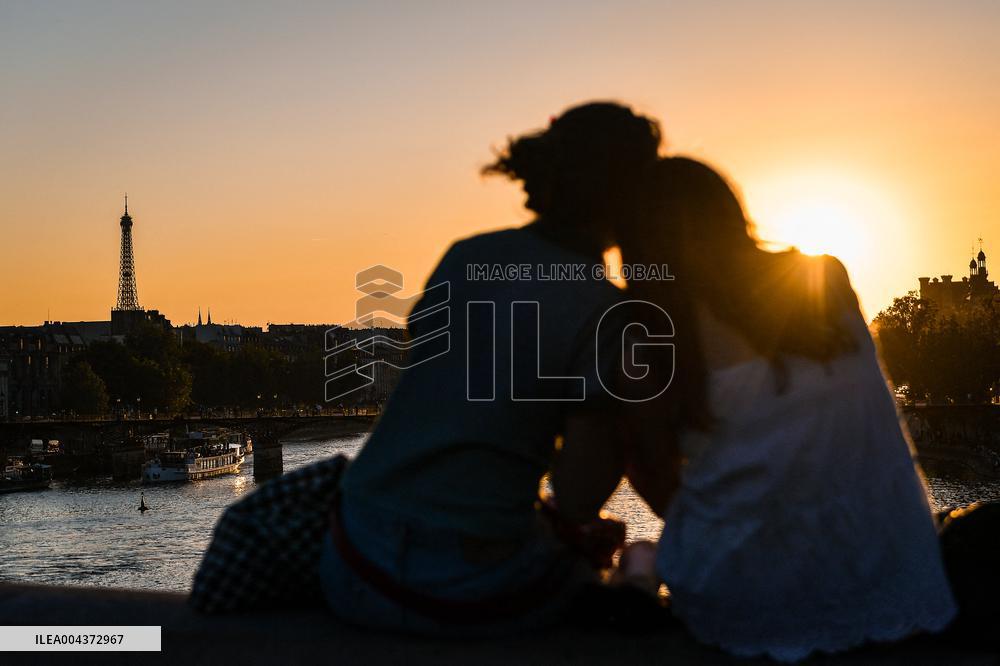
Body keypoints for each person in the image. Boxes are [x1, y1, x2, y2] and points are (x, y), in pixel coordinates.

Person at [318, 102, 663, 635]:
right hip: (457, 585)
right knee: (632, 563)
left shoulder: (464, 256)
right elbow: (577, 496)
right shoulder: (607, 310)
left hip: (350, 557)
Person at [617, 157, 958, 661]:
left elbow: (651, 470)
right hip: (898, 588)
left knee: (640, 555)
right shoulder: (827, 278)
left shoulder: (648, 327)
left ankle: (641, 572)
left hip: (744, 609)